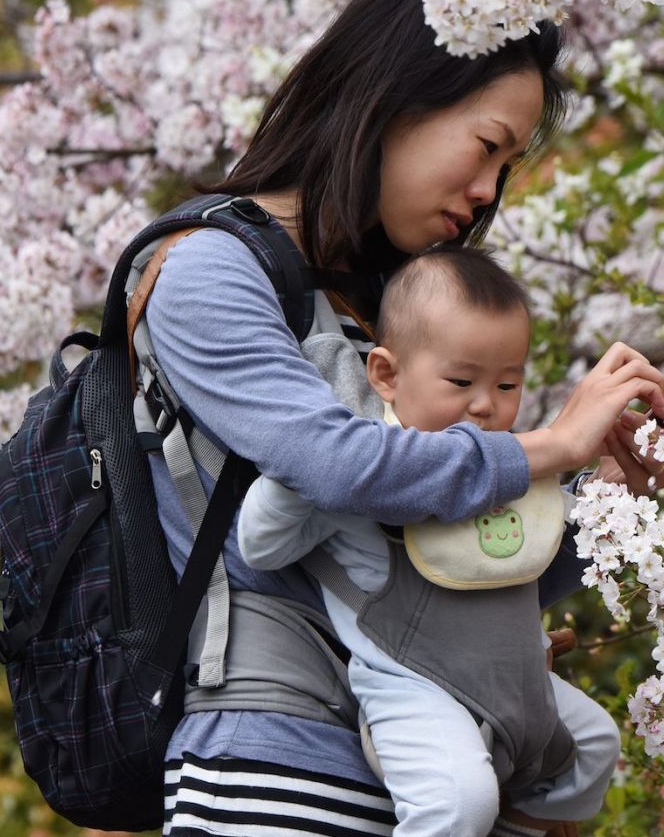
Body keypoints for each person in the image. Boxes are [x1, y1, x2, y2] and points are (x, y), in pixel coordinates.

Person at [143, 0, 664, 836]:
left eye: (508, 165)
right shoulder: (209, 269)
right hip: (275, 768)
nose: (487, 193)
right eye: (488, 145)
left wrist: (603, 495)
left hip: (433, 775)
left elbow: (451, 572)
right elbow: (333, 467)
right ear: (395, 99)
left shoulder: (392, 305)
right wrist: (555, 445)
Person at [237, 246, 619, 837]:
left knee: (595, 745)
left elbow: (549, 538)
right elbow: (260, 546)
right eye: (461, 380)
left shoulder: (511, 461)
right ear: (387, 375)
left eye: (508, 382)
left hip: (517, 678)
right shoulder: (369, 466)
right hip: (415, 687)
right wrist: (310, 474)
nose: (485, 405)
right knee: (458, 802)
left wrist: (609, 487)